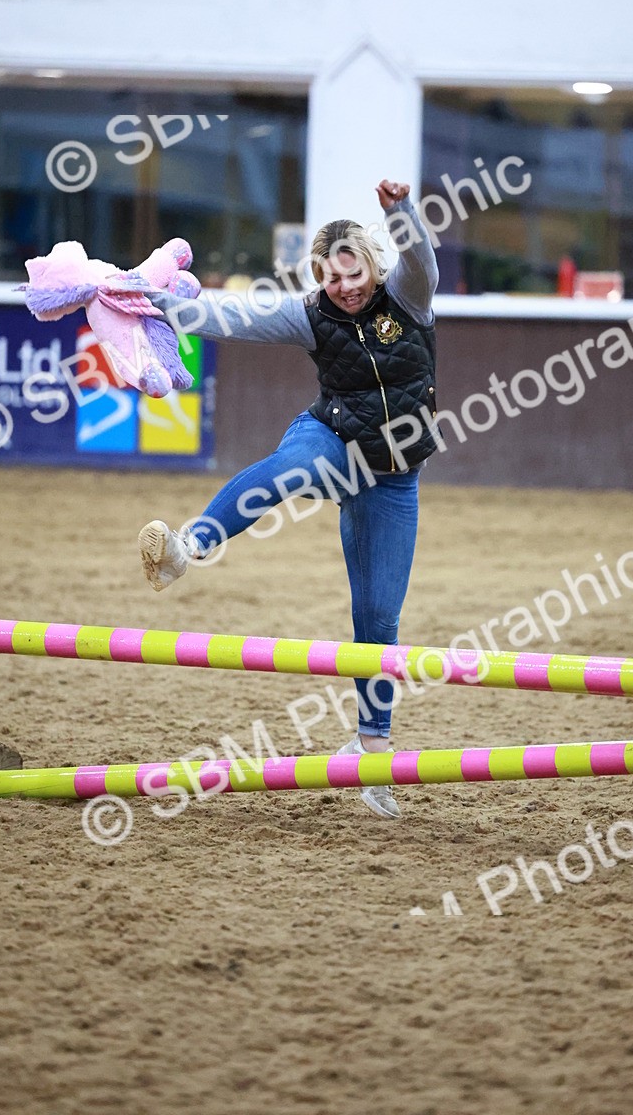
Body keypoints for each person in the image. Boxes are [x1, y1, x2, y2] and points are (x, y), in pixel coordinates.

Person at [140, 180, 439, 818]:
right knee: (290, 471)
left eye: (353, 273)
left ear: (372, 264)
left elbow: (422, 260)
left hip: (391, 475)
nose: (345, 287)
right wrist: (155, 302)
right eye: (331, 278)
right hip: (329, 437)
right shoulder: (310, 314)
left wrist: (398, 212)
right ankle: (187, 548)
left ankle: (372, 752)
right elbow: (230, 318)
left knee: (378, 620)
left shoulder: (409, 297)